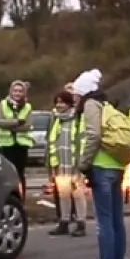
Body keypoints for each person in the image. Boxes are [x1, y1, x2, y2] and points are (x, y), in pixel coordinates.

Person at [73, 69, 128, 259]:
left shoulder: (90, 106)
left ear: (84, 92)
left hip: (101, 167)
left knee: (104, 223)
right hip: (115, 166)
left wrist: (83, 164)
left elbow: (94, 135)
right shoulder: (106, 105)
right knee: (115, 221)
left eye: (77, 93)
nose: (74, 98)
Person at [47, 90, 87, 237]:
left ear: (69, 103)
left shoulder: (77, 119)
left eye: (62, 102)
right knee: (63, 194)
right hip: (60, 164)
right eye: (57, 102)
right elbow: (51, 142)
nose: (59, 105)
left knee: (78, 194)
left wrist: (81, 164)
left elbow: (82, 140)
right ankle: (64, 222)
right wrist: (52, 165)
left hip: (74, 164)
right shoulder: (55, 119)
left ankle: (81, 223)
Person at [0, 81, 34, 199]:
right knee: (6, 174)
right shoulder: (2, 104)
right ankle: (7, 198)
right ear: (11, 92)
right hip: (6, 144)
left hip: (21, 145)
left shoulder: (27, 106)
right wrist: (16, 122)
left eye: (20, 91)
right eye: (15, 91)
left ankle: (21, 199)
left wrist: (11, 126)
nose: (17, 93)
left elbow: (28, 125)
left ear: (24, 93)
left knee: (20, 174)